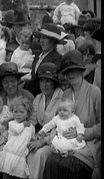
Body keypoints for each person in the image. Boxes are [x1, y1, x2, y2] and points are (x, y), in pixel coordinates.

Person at [43, 50, 101, 179]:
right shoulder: (67, 94)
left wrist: (85, 133)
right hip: (66, 142)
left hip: (88, 145)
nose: (70, 74)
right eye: (67, 71)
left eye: (74, 70)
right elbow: (59, 119)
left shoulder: (94, 92)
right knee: (51, 162)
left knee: (69, 166)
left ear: (81, 71)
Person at [26, 62, 63, 179]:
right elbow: (32, 121)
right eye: (42, 81)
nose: (44, 85)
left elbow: (60, 128)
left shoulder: (62, 98)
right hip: (41, 135)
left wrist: (42, 141)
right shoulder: (38, 98)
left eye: (48, 81)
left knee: (39, 154)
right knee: (26, 149)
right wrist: (30, 136)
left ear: (54, 82)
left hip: (57, 139)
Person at [0, 96, 35, 179]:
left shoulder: (31, 127)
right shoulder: (12, 124)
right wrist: (24, 124)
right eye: (15, 112)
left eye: (21, 112)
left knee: (17, 176)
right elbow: (16, 130)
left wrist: (32, 143)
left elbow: (31, 138)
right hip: (10, 154)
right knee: (6, 175)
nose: (18, 114)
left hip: (20, 156)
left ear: (28, 113)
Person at [24, 23, 63, 96]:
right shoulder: (37, 55)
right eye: (41, 37)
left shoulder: (58, 59)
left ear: (54, 41)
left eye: (45, 38)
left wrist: (25, 85)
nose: (41, 41)